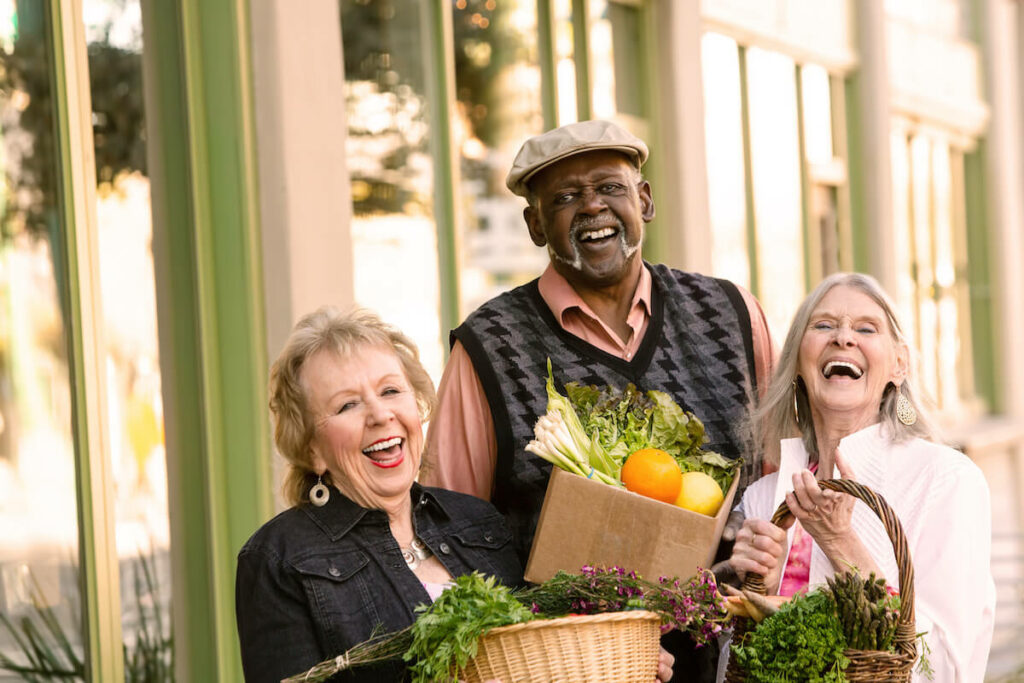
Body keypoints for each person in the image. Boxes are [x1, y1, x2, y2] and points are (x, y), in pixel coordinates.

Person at [422, 119, 775, 680]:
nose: (592, 207)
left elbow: (774, 481)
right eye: (565, 197)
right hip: (575, 665)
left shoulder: (732, 315)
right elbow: (447, 530)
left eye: (610, 187)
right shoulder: (488, 347)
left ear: (645, 199)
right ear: (535, 224)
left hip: (738, 658)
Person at [725, 272, 995, 682]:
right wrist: (759, 585)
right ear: (798, 360)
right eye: (823, 325)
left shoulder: (948, 481)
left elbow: (941, 667)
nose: (843, 338)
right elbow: (733, 665)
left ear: (899, 364)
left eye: (866, 328)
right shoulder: (764, 499)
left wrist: (841, 542)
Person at [235, 307, 524, 682]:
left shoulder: (479, 520)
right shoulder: (278, 559)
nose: (380, 414)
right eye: (347, 405)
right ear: (312, 450)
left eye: (390, 390)